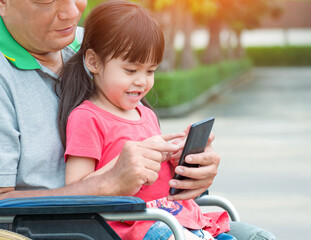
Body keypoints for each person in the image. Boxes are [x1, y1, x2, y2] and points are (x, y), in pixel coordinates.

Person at [0, 0, 276, 240]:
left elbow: (130, 135)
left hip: (156, 215)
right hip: (77, 228)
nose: (72, 13)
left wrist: (187, 169)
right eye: (47, 0)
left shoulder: (94, 42)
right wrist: (107, 184)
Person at [57, 1, 236, 239]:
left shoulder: (146, 114)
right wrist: (121, 166)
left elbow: (157, 184)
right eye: (131, 70)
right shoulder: (87, 118)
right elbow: (77, 188)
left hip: (175, 219)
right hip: (136, 226)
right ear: (94, 62)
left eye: (150, 71)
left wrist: (176, 161)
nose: (142, 81)